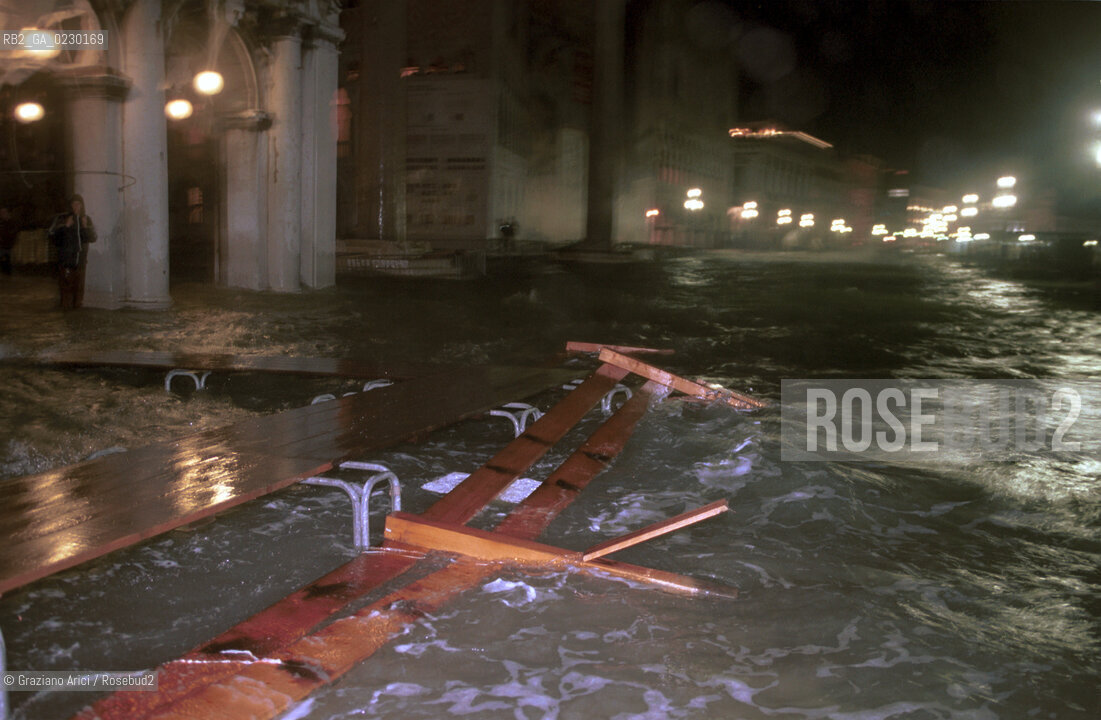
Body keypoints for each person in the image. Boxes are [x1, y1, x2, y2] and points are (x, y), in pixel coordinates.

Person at [48, 194, 96, 309]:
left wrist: (85, 227)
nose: (76, 207)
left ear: (82, 205)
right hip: (66, 261)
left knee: (79, 289)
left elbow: (92, 238)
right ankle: (66, 311)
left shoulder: (86, 219)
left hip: (81, 261)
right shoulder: (62, 218)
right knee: (66, 289)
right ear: (70, 205)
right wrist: (66, 226)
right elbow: (53, 238)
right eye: (73, 204)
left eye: (78, 204)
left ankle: (77, 313)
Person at [0, 206, 17, 275]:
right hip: (2, 244)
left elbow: (12, 233)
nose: (1, 214)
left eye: (3, 213)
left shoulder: (12, 222)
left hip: (7, 244)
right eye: (1, 213)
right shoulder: (2, 222)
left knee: (6, 260)